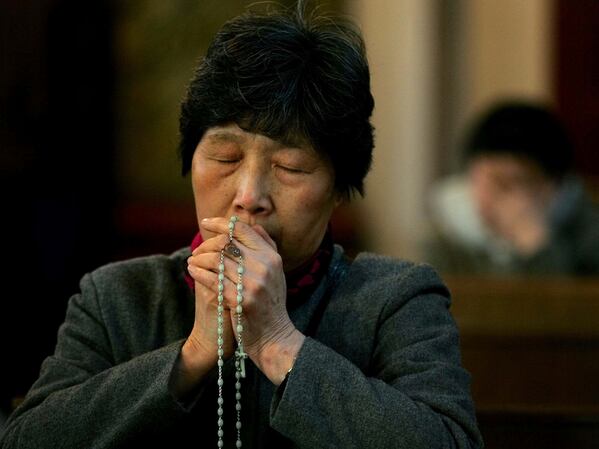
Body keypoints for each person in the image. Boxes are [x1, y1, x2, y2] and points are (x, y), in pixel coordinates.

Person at [1, 3, 482, 448]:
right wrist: (191, 354)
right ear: (190, 161)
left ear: (339, 188)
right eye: (225, 157)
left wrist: (276, 341)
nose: (249, 196)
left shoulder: (396, 301)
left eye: (291, 167)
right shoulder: (118, 296)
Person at [426, 100, 599, 275]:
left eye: (518, 182)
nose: (502, 197)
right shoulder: (445, 233)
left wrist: (537, 246)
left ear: (554, 186)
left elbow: (568, 300)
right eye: (495, 181)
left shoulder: (589, 232)